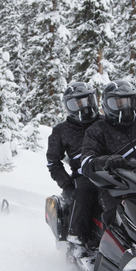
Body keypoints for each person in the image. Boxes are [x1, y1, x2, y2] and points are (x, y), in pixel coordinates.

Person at [80, 80, 136, 226]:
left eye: (129, 101)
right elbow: (86, 162)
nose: (125, 107)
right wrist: (107, 161)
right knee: (118, 216)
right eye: (118, 103)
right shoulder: (97, 131)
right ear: (107, 104)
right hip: (116, 185)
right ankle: (111, 246)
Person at [47, 81, 101, 248]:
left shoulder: (104, 122)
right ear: (68, 107)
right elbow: (53, 161)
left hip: (110, 171)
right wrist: (66, 184)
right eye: (76, 103)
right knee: (83, 194)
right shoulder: (62, 130)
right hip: (83, 174)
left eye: (86, 101)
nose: (83, 107)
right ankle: (76, 237)